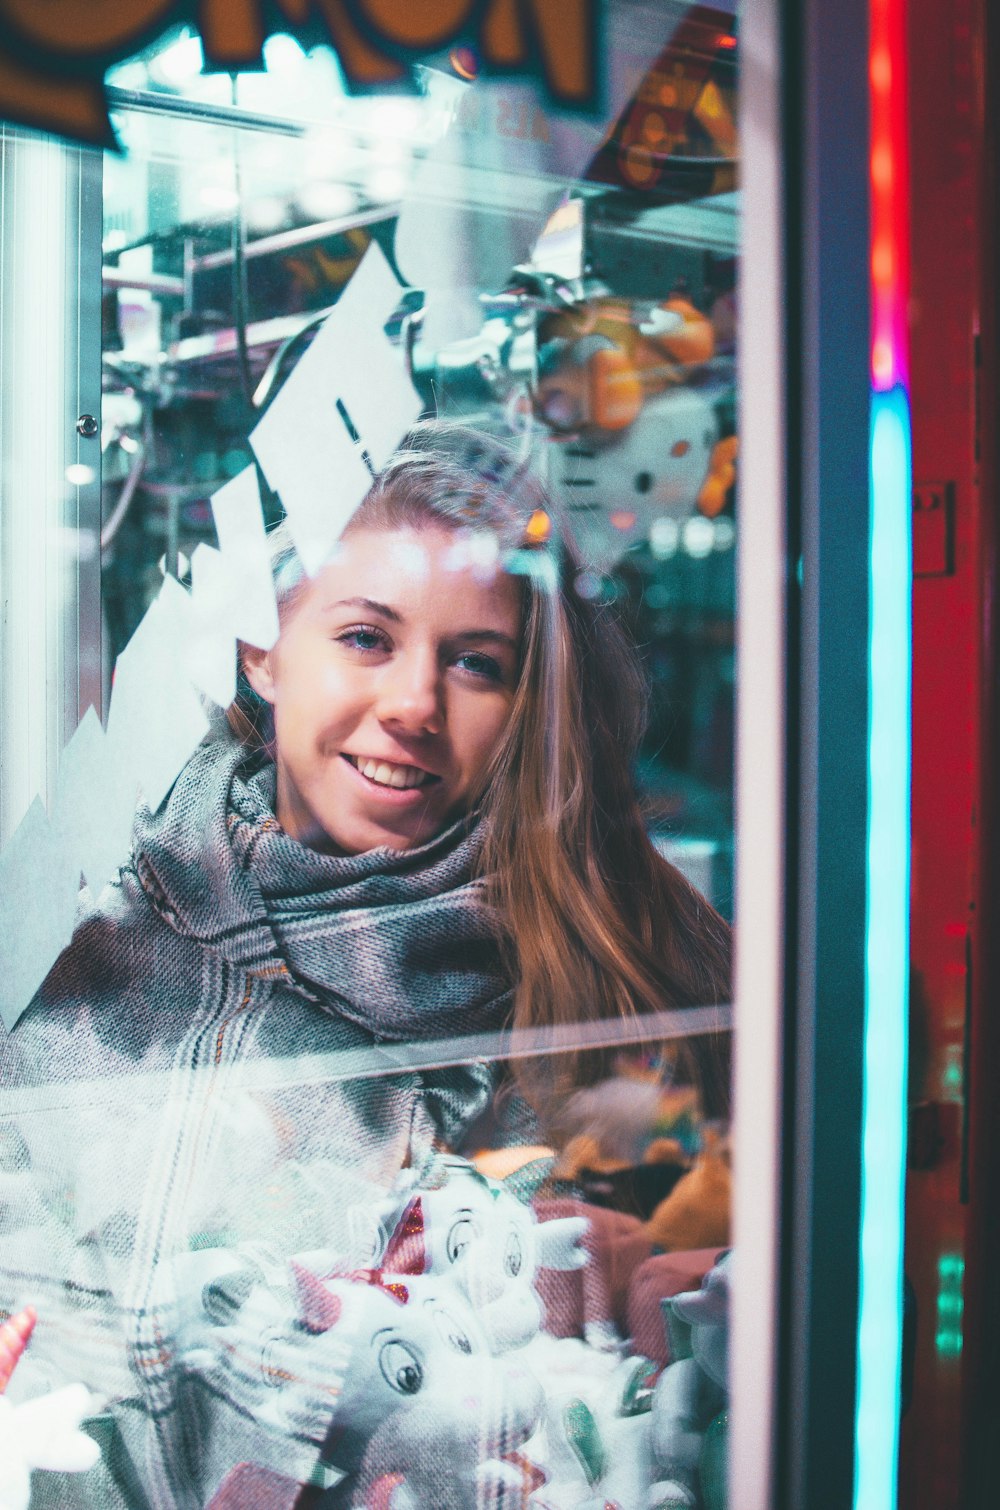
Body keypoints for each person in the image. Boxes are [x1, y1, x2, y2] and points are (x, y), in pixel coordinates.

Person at [0, 422, 730, 1508]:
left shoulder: (611, 952)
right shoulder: (88, 914)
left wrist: (672, 1266)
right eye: (365, 638)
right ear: (261, 645)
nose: (414, 705)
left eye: (475, 661)